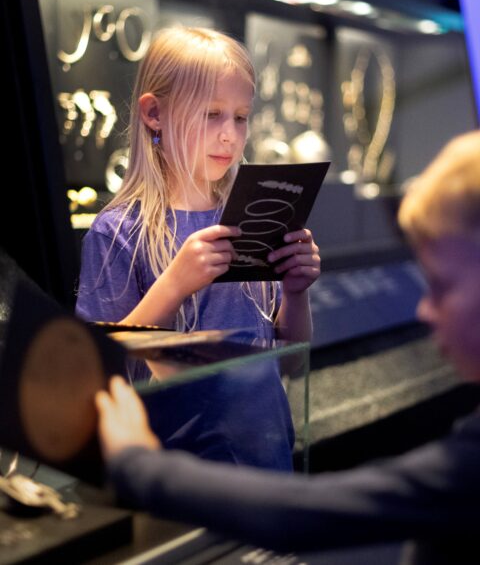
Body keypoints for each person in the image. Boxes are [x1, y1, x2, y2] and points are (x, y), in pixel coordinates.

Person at [96, 130, 480, 564]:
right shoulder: (114, 233)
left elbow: (307, 517)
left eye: (443, 285)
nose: (426, 309)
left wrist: (135, 464)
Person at [76, 26, 320, 470]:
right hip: (177, 477)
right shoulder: (118, 232)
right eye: (211, 114)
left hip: (267, 463)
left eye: (241, 117)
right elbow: (101, 374)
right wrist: (173, 285)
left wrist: (296, 291)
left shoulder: (250, 218)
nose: (230, 135)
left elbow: (287, 364)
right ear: (155, 113)